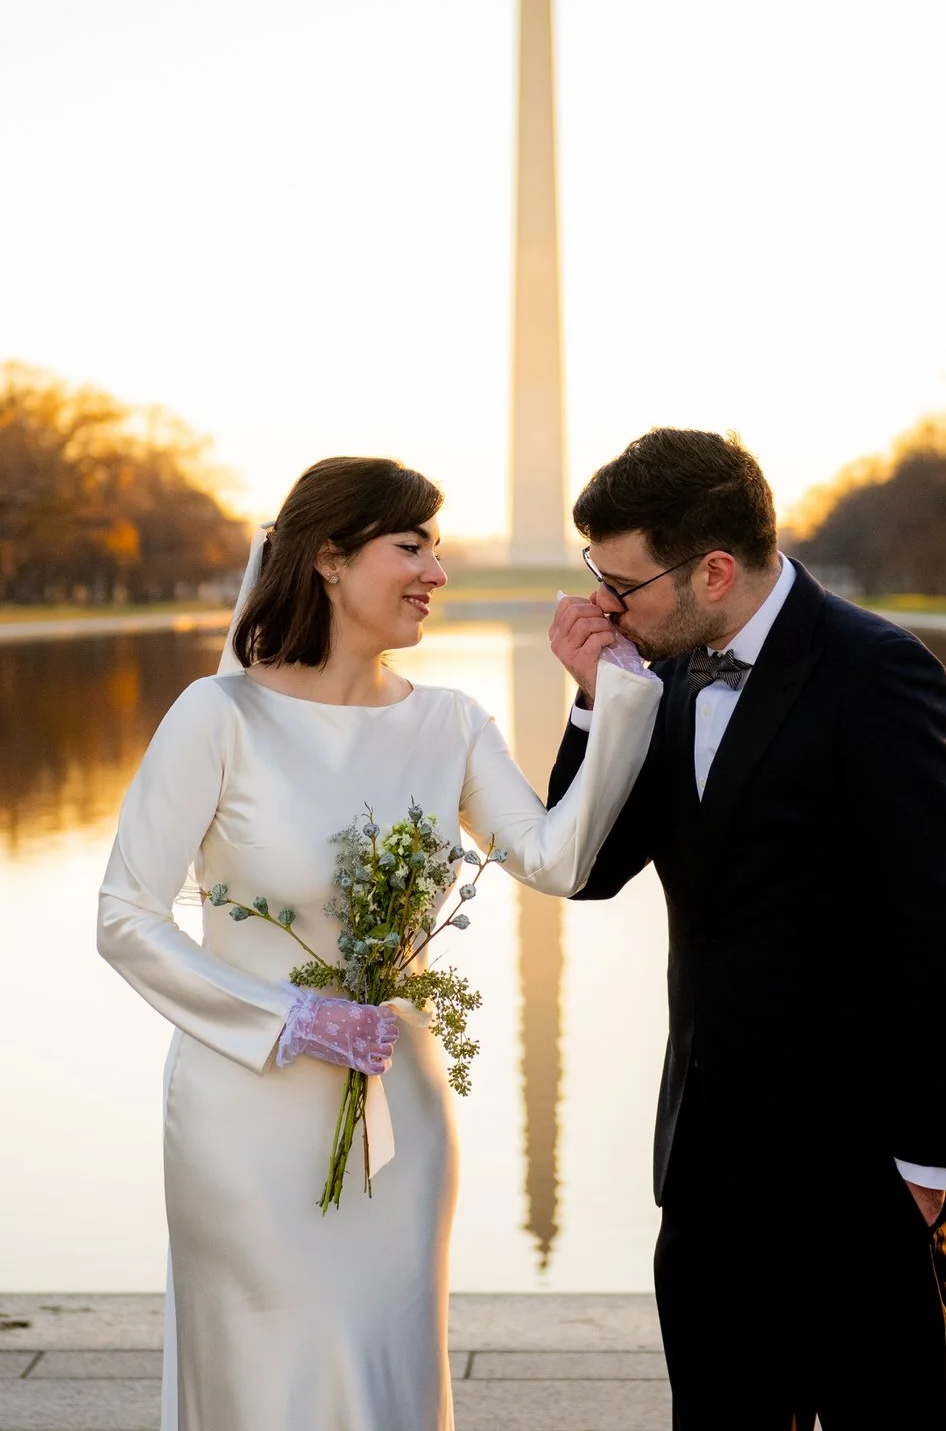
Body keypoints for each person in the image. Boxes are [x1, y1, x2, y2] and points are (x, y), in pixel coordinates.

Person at [97, 454, 661, 1431]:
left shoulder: (448, 721)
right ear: (326, 558)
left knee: (389, 1372)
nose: (437, 570)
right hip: (244, 1117)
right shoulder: (217, 719)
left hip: (399, 1120)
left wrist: (604, 701)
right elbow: (125, 916)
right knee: (270, 1379)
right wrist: (290, 1017)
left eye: (437, 547)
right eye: (412, 546)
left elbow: (556, 860)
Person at [546, 428, 946, 1431]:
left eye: (621, 581)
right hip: (706, 1162)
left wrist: (923, 1170)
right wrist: (591, 701)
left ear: (712, 569)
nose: (601, 604)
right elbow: (588, 868)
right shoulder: (653, 675)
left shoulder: (878, 672)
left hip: (864, 1166)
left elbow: (941, 934)